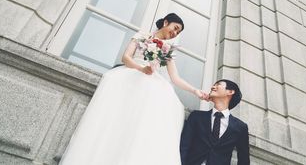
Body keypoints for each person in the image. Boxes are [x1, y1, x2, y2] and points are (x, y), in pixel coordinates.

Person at [59, 13, 208, 165]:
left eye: (178, 32)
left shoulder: (167, 49)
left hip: (151, 82)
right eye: (175, 28)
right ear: (165, 22)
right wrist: (141, 68)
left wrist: (195, 91)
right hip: (131, 74)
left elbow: (175, 78)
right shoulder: (143, 35)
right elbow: (126, 57)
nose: (175, 33)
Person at [180, 79, 250, 165]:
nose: (212, 87)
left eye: (218, 85)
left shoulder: (241, 127)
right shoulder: (196, 117)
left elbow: (244, 160)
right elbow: (184, 146)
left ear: (230, 91)